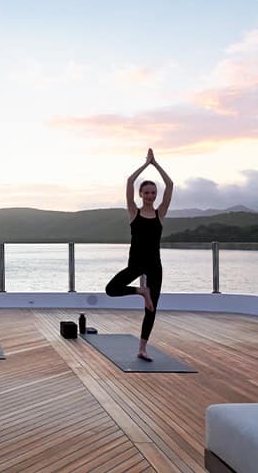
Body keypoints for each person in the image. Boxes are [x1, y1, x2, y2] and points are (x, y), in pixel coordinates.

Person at [105, 148, 173, 361]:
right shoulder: (133, 213)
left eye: (153, 193)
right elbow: (129, 182)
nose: (150, 196)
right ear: (140, 195)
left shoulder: (159, 214)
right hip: (135, 264)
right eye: (146, 193)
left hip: (154, 264)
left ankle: (142, 348)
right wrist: (145, 164)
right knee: (111, 289)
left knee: (152, 308)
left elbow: (170, 185)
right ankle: (140, 291)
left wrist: (156, 164)